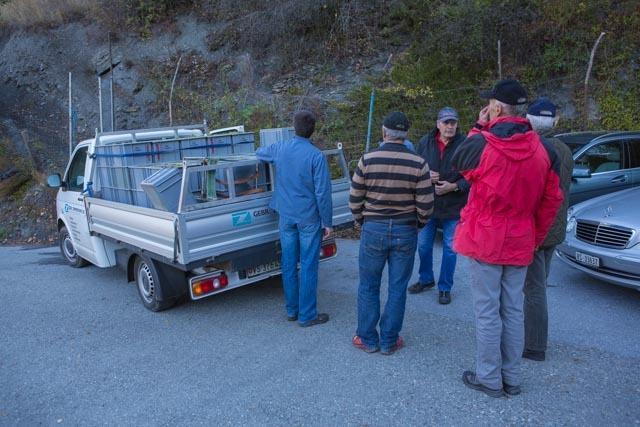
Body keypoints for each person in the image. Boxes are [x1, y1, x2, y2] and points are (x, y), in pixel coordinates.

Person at [451, 79, 564, 397]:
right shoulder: (544, 150)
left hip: (485, 239)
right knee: (513, 309)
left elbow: (459, 164)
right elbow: (552, 200)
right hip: (520, 239)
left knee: (488, 311)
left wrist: (478, 126)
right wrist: (535, 236)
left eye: (491, 104)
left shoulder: (482, 143)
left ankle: (489, 377)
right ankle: (511, 377)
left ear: (497, 108)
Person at [349, 111, 434, 355]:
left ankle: (367, 338)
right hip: (405, 229)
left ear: (384, 132)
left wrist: (362, 221)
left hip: (373, 228)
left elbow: (355, 199)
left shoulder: (367, 160)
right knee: (397, 287)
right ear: (405, 135)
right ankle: (389, 340)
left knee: (368, 285)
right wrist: (417, 225)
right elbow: (426, 205)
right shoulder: (419, 163)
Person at [255, 110, 333, 327]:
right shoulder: (316, 156)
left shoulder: (280, 148)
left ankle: (292, 310)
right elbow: (322, 193)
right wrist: (327, 222)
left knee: (288, 263)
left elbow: (259, 152)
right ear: (313, 130)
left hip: (286, 216)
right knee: (308, 265)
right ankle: (307, 315)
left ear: (294, 127)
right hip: (308, 218)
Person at [523, 98, 574, 361]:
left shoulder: (533, 148)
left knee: (533, 289)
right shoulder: (564, 149)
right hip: (555, 228)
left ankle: (534, 345)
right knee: (538, 284)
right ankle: (531, 338)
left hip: (537, 229)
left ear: (528, 119)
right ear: (555, 121)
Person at [409, 107, 469, 304]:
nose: (450, 126)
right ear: (438, 124)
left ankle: (445, 287)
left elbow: (473, 176)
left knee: (450, 249)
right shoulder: (425, 142)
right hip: (428, 205)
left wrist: (455, 186)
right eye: (446, 122)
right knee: (423, 245)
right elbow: (414, 169)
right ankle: (426, 279)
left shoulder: (465, 144)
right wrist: (426, 175)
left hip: (454, 206)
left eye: (453, 122)